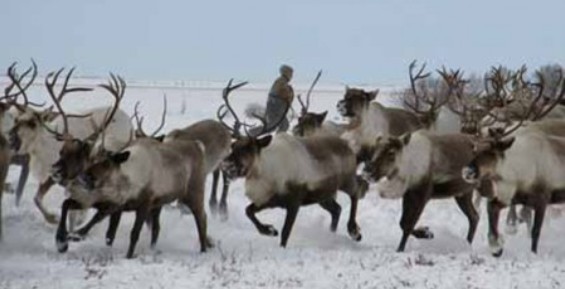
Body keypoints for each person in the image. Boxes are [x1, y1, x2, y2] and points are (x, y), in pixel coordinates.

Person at [263, 64, 294, 133]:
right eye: (291, 73)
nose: (292, 75)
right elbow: (282, 93)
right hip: (276, 107)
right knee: (283, 125)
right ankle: (252, 133)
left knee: (276, 125)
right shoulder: (281, 81)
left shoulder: (282, 81)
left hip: (276, 107)